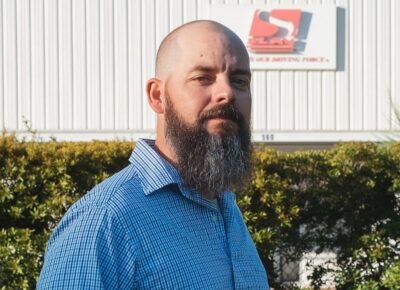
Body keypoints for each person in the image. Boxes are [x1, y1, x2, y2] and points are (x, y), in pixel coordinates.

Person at [37, 20, 269, 289]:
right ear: (158, 96)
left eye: (239, 81)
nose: (226, 93)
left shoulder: (223, 204)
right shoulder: (104, 220)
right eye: (202, 78)